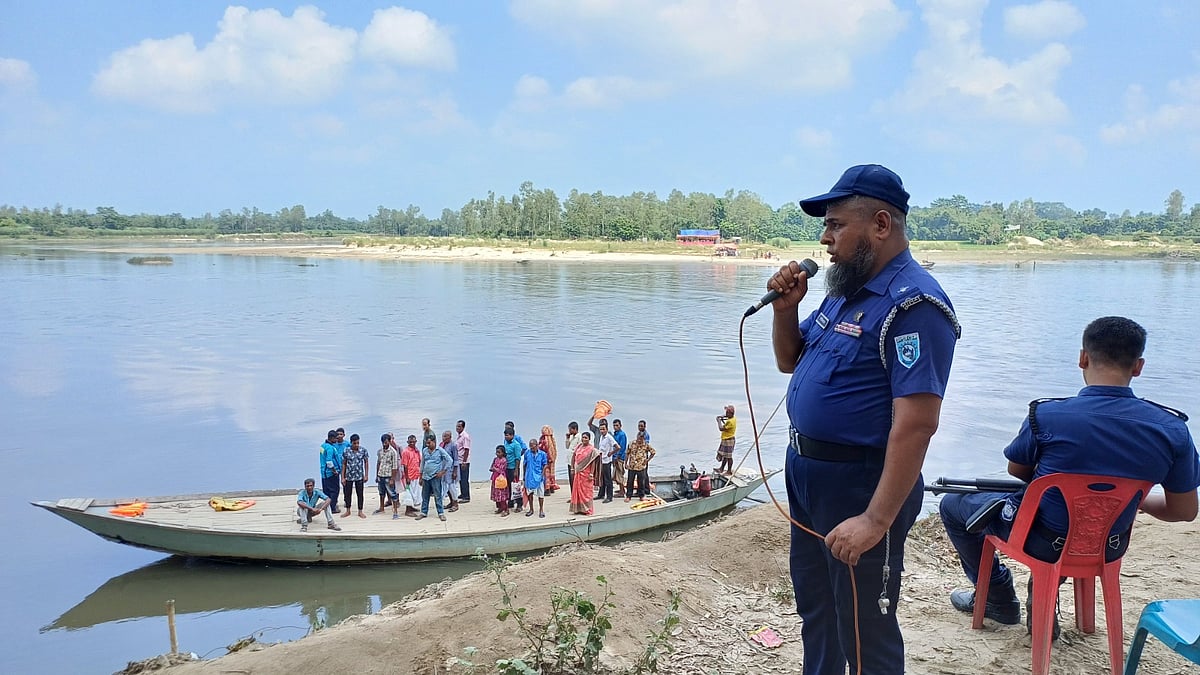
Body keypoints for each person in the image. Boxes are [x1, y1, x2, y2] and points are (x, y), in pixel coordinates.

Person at [767, 164, 960, 674]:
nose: (824, 239)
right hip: (809, 477)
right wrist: (785, 311)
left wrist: (875, 520)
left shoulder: (914, 305)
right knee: (818, 612)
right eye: (825, 226)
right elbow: (790, 361)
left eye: (835, 225)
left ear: (880, 224)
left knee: (864, 629)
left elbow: (917, 424)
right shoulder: (845, 291)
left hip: (860, 484)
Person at [940, 317, 1199, 631]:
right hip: (1109, 544)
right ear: (1138, 367)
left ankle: (998, 596)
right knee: (1058, 514)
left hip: (1042, 542)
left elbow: (1017, 470)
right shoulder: (1172, 430)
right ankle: (1044, 596)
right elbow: (1184, 511)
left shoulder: (1047, 415)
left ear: (1083, 358)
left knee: (952, 504)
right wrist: (1132, 499)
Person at [417, 436, 453, 521]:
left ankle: (440, 513)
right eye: (426, 443)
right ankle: (423, 512)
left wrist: (443, 472)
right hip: (426, 476)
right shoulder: (425, 450)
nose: (427, 445)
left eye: (429, 443)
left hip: (435, 477)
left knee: (437, 495)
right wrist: (420, 476)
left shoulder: (440, 450)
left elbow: (450, 460)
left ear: (434, 442)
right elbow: (422, 463)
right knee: (425, 495)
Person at [570, 432, 601, 515]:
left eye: (586, 438)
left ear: (589, 439)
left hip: (586, 473)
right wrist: (572, 468)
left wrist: (591, 474)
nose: (584, 439)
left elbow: (593, 462)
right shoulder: (579, 446)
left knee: (586, 492)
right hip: (578, 472)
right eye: (583, 437)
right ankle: (578, 509)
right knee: (577, 490)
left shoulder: (592, 449)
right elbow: (573, 457)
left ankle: (587, 509)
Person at [340, 433, 370, 518]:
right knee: (347, 494)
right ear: (351, 443)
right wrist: (342, 477)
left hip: (359, 475)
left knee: (360, 494)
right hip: (349, 476)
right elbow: (344, 464)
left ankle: (360, 511)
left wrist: (366, 475)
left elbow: (366, 462)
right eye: (354, 443)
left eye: (358, 443)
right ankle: (348, 510)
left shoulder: (363, 450)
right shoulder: (346, 451)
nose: (356, 445)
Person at [625, 430, 656, 501]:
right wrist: (625, 463)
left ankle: (641, 495)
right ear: (637, 437)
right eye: (638, 438)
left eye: (641, 439)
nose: (639, 440)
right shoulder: (631, 444)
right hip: (632, 466)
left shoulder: (646, 445)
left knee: (641, 482)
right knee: (630, 481)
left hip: (641, 466)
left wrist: (647, 460)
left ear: (643, 439)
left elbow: (653, 452)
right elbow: (627, 453)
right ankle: (628, 496)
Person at [375, 433, 400, 519]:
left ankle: (395, 511)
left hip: (388, 475)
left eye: (386, 442)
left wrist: (392, 479)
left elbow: (395, 466)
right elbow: (378, 463)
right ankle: (381, 508)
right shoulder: (380, 451)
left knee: (392, 493)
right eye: (383, 442)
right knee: (381, 492)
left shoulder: (393, 452)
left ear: (389, 441)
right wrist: (377, 475)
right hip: (381, 474)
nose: (384, 444)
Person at [522, 438, 548, 517]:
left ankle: (541, 510)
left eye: (533, 446)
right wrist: (524, 475)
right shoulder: (527, 453)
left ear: (537, 445)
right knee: (530, 493)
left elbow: (545, 465)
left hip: (539, 476)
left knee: (541, 494)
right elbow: (524, 465)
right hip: (529, 476)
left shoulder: (542, 454)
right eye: (530, 447)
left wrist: (542, 474)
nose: (531, 448)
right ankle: (531, 509)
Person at [319, 430, 343, 514]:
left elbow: (323, 457)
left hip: (324, 473)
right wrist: (334, 471)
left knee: (327, 491)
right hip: (331, 473)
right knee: (334, 491)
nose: (337, 440)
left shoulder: (322, 446)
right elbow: (329, 461)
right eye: (336, 438)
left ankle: (328, 506)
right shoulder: (330, 448)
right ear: (332, 438)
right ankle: (333, 508)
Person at [399, 434, 422, 517]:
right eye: (410, 442)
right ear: (407, 442)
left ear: (416, 442)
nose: (412, 443)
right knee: (408, 493)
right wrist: (407, 477)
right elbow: (405, 466)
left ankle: (412, 507)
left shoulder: (417, 451)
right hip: (409, 476)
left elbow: (420, 462)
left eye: (413, 442)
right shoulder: (405, 452)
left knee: (415, 492)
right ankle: (408, 510)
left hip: (416, 474)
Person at [596, 419, 618, 503]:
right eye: (600, 429)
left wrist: (611, 453)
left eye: (603, 429)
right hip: (601, 460)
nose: (602, 431)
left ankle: (609, 496)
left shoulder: (609, 437)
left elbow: (618, 447)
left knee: (608, 479)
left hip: (607, 461)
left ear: (607, 429)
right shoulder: (601, 437)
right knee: (602, 478)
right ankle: (601, 494)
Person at [502, 427, 524, 511]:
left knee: (516, 487)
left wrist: (516, 470)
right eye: (505, 435)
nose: (506, 437)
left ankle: (519, 504)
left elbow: (518, 458)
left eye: (507, 435)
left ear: (512, 436)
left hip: (513, 468)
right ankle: (510, 502)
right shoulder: (506, 444)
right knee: (508, 486)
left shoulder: (516, 445)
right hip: (506, 468)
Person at [440, 430, 461, 512]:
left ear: (450, 437)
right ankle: (451, 502)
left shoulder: (453, 446)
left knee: (452, 487)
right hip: (444, 469)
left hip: (451, 470)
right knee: (447, 487)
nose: (444, 438)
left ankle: (455, 504)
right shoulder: (442, 445)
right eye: (443, 436)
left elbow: (456, 459)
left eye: (446, 436)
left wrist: (455, 471)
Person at [490, 446, 512, 517]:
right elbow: (491, 467)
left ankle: (505, 509)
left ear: (503, 453)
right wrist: (492, 468)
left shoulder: (504, 460)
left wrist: (495, 468)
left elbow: (502, 470)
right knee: (496, 494)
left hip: (501, 479)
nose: (497, 454)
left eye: (499, 452)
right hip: (495, 478)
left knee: (502, 495)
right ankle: (499, 507)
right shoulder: (495, 459)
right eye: (496, 452)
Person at [715, 406, 736, 476]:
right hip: (726, 439)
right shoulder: (732, 418)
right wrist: (722, 417)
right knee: (725, 455)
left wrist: (718, 421)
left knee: (729, 456)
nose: (726, 414)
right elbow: (727, 417)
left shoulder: (730, 422)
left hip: (729, 440)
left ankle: (729, 471)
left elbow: (721, 428)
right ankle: (721, 468)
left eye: (727, 413)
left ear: (731, 413)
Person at [540, 425, 559, 494]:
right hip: (552, 458)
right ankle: (551, 487)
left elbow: (542, 448)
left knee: (546, 473)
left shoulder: (543, 439)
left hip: (546, 459)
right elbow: (554, 449)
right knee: (552, 473)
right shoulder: (552, 439)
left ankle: (547, 489)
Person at [455, 419, 472, 502]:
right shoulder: (459, 436)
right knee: (461, 478)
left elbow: (466, 449)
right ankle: (462, 493)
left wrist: (464, 462)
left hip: (464, 461)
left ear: (463, 427)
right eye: (457, 426)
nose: (457, 428)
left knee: (464, 479)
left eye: (459, 426)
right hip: (459, 460)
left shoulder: (465, 436)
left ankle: (466, 496)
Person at [612, 419, 629, 497]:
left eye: (617, 425)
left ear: (620, 426)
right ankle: (621, 489)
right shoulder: (615, 434)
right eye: (614, 425)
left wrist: (618, 456)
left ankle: (622, 492)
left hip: (619, 457)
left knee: (619, 474)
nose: (615, 427)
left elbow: (622, 447)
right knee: (615, 474)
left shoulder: (622, 435)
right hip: (614, 456)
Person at [565, 421, 581, 488]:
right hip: (569, 460)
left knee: (574, 479)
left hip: (575, 461)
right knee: (571, 479)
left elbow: (579, 449)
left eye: (570, 429)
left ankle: (575, 493)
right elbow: (567, 446)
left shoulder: (579, 437)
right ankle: (572, 493)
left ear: (575, 429)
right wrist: (567, 438)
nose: (569, 431)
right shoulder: (571, 437)